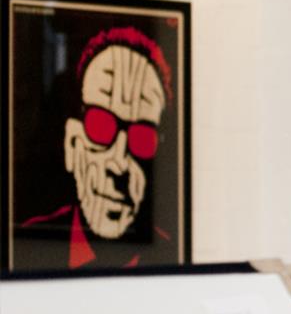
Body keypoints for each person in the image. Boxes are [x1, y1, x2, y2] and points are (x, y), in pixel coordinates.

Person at [18, 25, 175, 269]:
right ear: (72, 143)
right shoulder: (26, 247)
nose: (118, 164)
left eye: (142, 138)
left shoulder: (174, 255)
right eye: (100, 126)